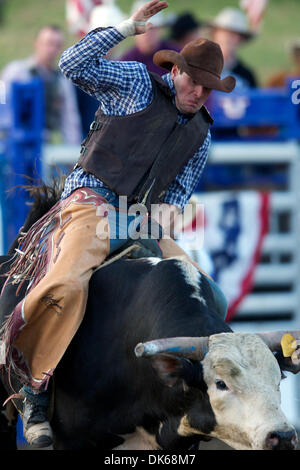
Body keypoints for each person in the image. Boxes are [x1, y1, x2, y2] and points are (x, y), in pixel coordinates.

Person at [0, 0, 235, 448]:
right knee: (67, 285)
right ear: (178, 71)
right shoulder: (137, 85)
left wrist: (156, 232)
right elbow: (72, 63)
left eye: (209, 89)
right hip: (91, 203)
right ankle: (34, 389)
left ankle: (187, 405)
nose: (201, 94)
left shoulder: (200, 132)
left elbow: (175, 197)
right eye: (196, 83)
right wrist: (125, 28)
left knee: (211, 293)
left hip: (144, 219)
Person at [1, 25, 82, 145]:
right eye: (49, 43)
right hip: (11, 140)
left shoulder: (62, 81)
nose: (52, 49)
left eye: (57, 45)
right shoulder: (16, 72)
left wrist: (74, 151)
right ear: (36, 43)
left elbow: (70, 119)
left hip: (43, 143)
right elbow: (1, 101)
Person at [119, 0, 180, 75]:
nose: (147, 33)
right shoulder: (125, 62)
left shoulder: (176, 56)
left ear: (160, 29)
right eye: (142, 28)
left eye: (152, 28)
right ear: (133, 32)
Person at [208, 7, 258, 90]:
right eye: (225, 32)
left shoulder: (247, 75)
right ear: (214, 34)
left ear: (241, 40)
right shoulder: (201, 69)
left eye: (235, 34)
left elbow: (255, 100)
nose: (229, 38)